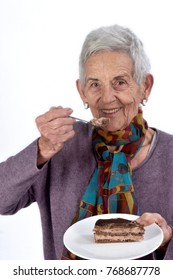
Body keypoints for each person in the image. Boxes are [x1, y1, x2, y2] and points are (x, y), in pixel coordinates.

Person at [0, 24, 173, 260]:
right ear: (82, 92)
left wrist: (164, 245)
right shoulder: (59, 145)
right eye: (94, 84)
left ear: (145, 86)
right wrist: (41, 150)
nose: (107, 98)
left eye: (120, 82)